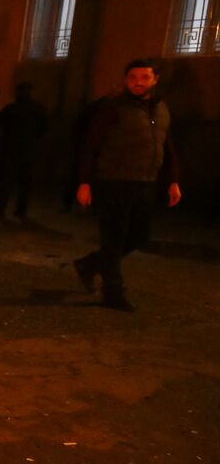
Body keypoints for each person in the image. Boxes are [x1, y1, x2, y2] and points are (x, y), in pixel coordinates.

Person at [72, 59, 182, 312]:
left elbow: (166, 145)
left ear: (155, 80)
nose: (138, 82)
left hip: (146, 183)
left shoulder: (161, 108)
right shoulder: (113, 108)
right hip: (114, 182)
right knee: (114, 237)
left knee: (139, 237)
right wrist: (85, 182)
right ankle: (113, 292)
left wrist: (173, 180)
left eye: (144, 77)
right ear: (126, 80)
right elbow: (91, 146)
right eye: (133, 77)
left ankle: (90, 264)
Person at [0, 81, 49, 219]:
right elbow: (45, 129)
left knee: (6, 180)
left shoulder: (12, 108)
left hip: (10, 149)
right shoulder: (38, 109)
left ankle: (0, 209)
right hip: (29, 150)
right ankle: (21, 211)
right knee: (25, 182)